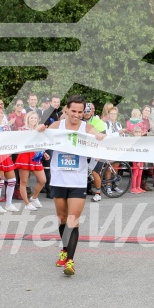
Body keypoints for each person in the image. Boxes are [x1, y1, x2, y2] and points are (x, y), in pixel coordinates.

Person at [49, 94, 105, 276]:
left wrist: (98, 137)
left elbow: (97, 135)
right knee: (62, 218)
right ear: (66, 109)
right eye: (73, 111)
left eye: (80, 112)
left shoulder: (86, 128)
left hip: (77, 180)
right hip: (58, 179)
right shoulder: (56, 126)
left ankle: (70, 261)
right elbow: (40, 138)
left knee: (73, 220)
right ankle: (64, 249)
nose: (76, 115)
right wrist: (41, 129)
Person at [14, 111, 48, 210]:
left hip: (36, 155)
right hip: (24, 155)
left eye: (35, 118)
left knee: (42, 180)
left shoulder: (40, 130)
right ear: (27, 119)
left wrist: (43, 152)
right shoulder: (22, 130)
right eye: (31, 118)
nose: (33, 120)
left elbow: (40, 144)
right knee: (24, 181)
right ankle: (27, 204)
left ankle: (34, 197)